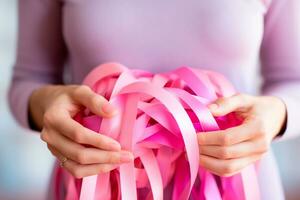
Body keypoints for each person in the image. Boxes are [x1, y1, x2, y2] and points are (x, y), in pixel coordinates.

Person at [8, 0, 300, 199]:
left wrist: (278, 114)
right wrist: (45, 103)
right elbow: (29, 78)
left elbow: (293, 82)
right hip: (93, 182)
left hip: (235, 185)